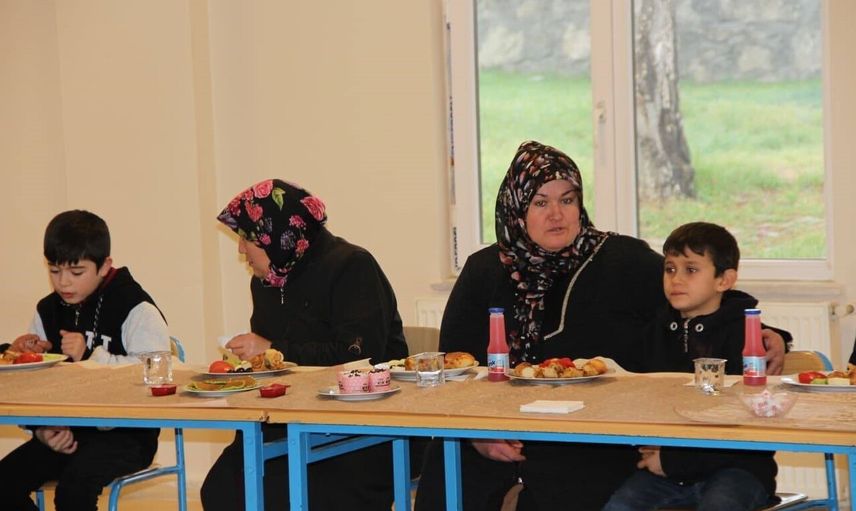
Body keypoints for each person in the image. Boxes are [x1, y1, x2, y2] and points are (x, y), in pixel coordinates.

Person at [414, 141, 788, 511]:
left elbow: (698, 303)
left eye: (567, 199)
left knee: (576, 480)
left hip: (590, 435)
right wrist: (478, 435)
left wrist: (768, 335)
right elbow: (455, 366)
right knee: (448, 465)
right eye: (540, 203)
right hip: (493, 428)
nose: (556, 214)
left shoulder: (622, 260)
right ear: (516, 208)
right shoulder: (484, 270)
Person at [201, 179, 408, 510]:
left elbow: (358, 356)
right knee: (222, 489)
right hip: (288, 423)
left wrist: (274, 350)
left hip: (359, 428)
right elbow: (271, 366)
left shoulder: (352, 267)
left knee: (282, 497)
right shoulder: (268, 282)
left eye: (247, 238)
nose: (240, 249)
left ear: (277, 235)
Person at [602, 222, 782, 511]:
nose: (676, 279)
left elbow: (746, 426)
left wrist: (673, 461)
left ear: (724, 280)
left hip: (737, 470)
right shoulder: (655, 331)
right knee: (620, 505)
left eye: (691, 270)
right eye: (670, 269)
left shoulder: (745, 338)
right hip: (667, 471)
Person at [0, 210, 170, 511]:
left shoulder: (135, 307)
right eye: (54, 271)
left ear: (104, 266)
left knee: (73, 491)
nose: (63, 283)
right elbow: (34, 387)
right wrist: (40, 426)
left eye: (76, 272)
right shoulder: (47, 310)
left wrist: (92, 357)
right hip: (65, 431)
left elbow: (157, 375)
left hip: (127, 435)